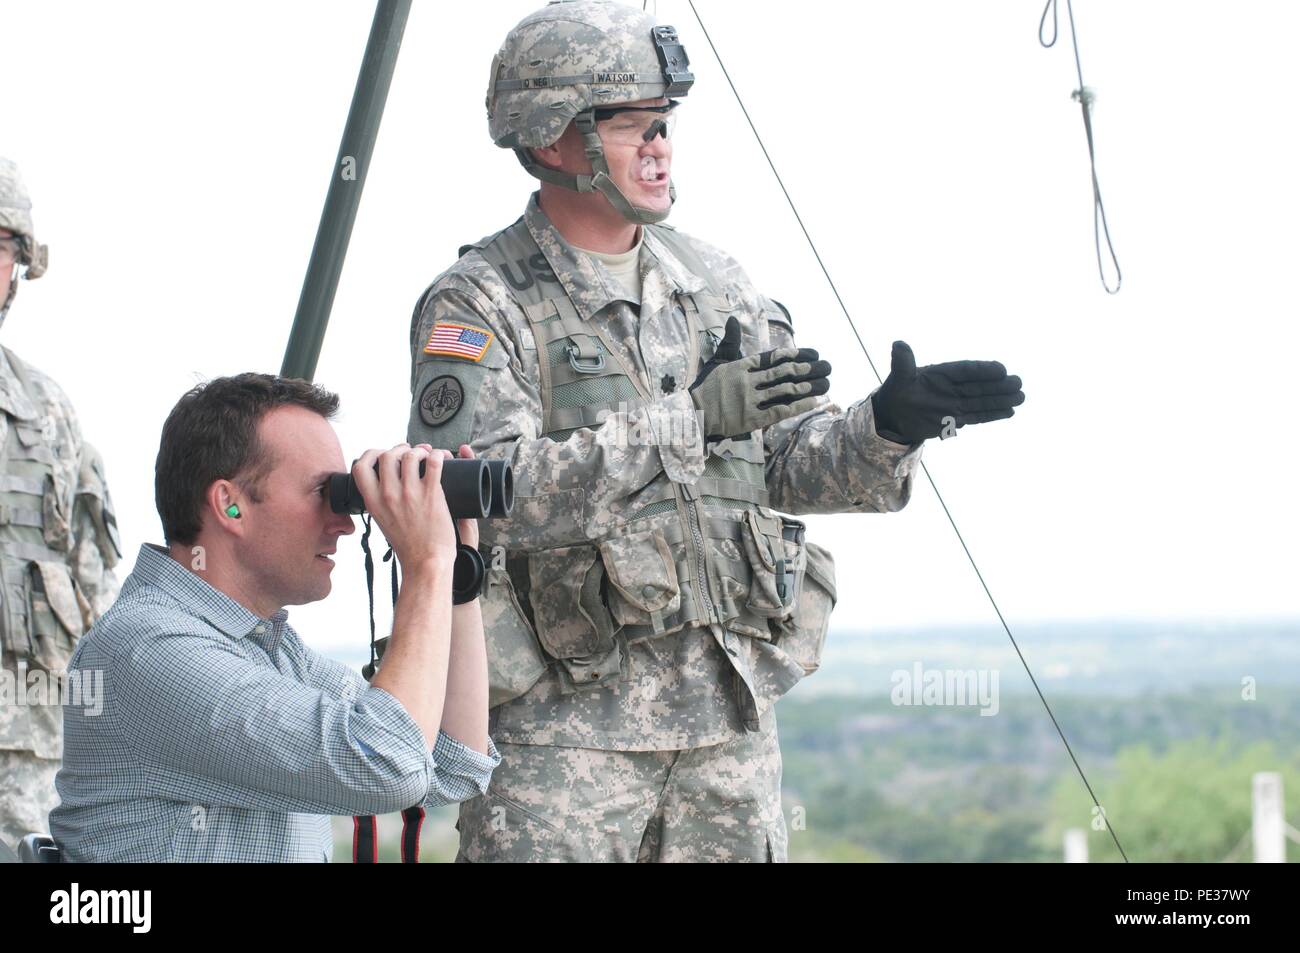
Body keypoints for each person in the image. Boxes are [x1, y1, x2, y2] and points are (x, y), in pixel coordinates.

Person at [406, 0, 1024, 862]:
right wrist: (688, 420)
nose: (659, 145)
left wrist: (885, 428)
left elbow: (780, 464)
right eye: (630, 126)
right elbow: (486, 498)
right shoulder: (480, 300)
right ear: (552, 141)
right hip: (564, 742)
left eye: (665, 124)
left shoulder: (716, 282)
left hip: (728, 726)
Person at [50, 374, 499, 861]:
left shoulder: (270, 651)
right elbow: (386, 767)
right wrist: (425, 564)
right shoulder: (150, 649)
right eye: (321, 493)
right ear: (231, 505)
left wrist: (454, 574)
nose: (346, 523)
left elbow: (454, 763)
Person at [0, 157, 120, 851]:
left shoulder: (46, 409)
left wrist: (103, 730)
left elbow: (91, 583)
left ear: (21, 265)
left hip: (33, 746)